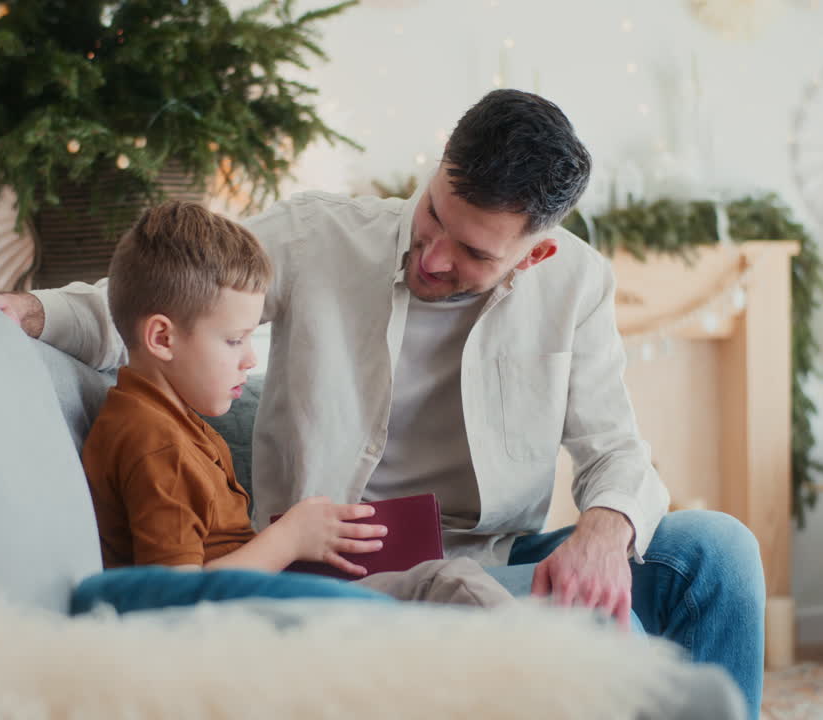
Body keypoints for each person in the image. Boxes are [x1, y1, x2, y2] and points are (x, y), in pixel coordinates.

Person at [0, 89, 765, 716]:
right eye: (434, 213)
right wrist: (26, 311)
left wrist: (602, 534)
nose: (432, 255)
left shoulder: (577, 284)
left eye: (471, 252)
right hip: (327, 571)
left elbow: (618, 451)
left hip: (492, 561)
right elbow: (161, 304)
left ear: (537, 254)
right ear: (437, 170)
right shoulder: (320, 237)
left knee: (716, 551)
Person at [79, 198, 512, 608]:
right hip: (253, 616)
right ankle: (547, 669)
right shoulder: (155, 441)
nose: (250, 359)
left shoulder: (166, 419)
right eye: (234, 340)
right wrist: (289, 539)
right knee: (448, 583)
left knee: (434, 579)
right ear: (162, 338)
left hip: (265, 596)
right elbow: (173, 600)